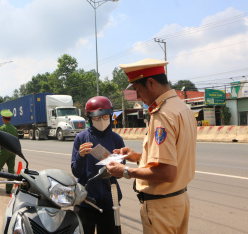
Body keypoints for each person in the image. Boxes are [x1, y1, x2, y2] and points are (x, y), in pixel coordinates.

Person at [106, 58, 197, 234]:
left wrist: (125, 171)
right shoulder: (182, 108)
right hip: (180, 202)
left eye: (139, 91)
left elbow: (166, 172)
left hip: (161, 208)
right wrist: (138, 156)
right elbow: (172, 156)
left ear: (151, 82)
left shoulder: (162, 115)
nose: (139, 98)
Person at [71, 96, 125, 234]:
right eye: (97, 118)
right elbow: (76, 172)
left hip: (109, 202)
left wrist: (116, 163)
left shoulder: (116, 139)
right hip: (85, 202)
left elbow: (121, 172)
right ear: (90, 118)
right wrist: (80, 156)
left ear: (111, 116)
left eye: (105, 116)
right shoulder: (81, 138)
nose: (101, 120)